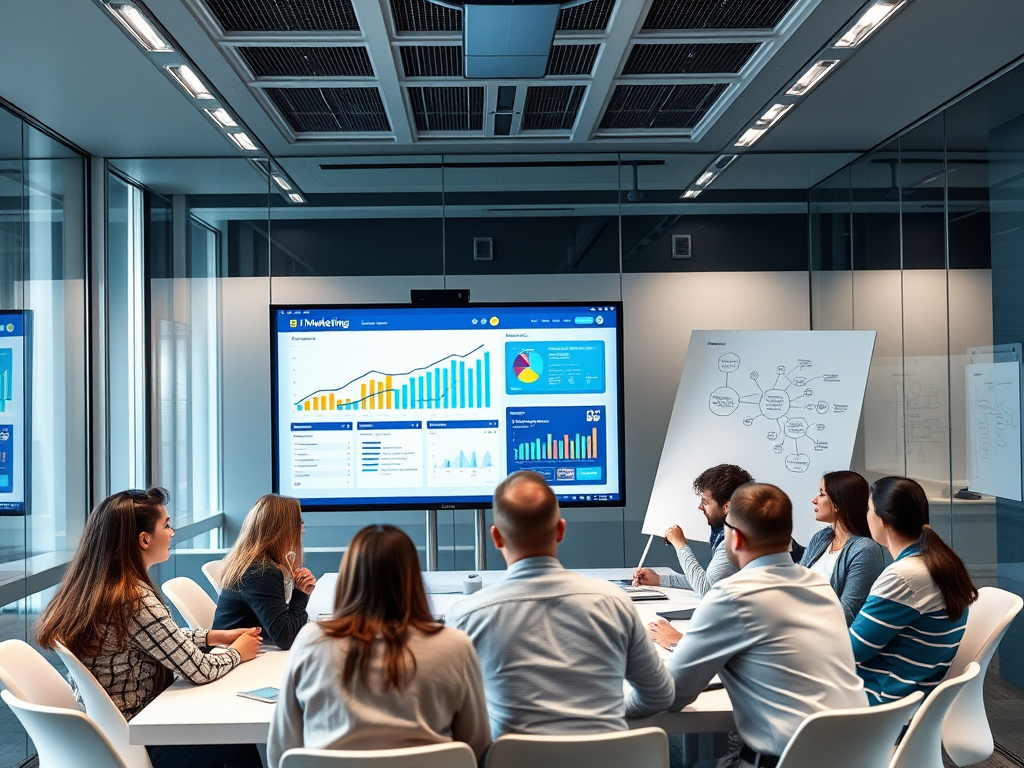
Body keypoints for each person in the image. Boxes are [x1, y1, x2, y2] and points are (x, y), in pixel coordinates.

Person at [634, 483, 866, 768]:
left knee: (671, 749)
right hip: (856, 755)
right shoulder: (819, 586)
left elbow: (669, 694)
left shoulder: (731, 596)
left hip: (782, 761)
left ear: (737, 539)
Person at [36, 488, 262, 768]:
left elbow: (148, 638)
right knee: (237, 739)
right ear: (144, 539)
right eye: (166, 525)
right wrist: (239, 651)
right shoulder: (133, 599)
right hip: (142, 735)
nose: (172, 532)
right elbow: (201, 671)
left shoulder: (97, 589)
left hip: (112, 734)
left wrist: (211, 636)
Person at [448, 471, 674, 738]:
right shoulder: (614, 602)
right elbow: (659, 696)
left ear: (496, 537)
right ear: (561, 530)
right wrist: (606, 714)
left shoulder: (466, 616)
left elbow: (452, 714)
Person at [267, 525, 490, 768]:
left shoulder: (311, 641)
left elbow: (281, 750)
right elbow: (476, 749)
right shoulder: (454, 646)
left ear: (349, 578)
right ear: (413, 578)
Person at [850, 476, 978, 704]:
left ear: (882, 520)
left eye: (868, 509)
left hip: (882, 704)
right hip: (910, 697)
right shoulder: (935, 561)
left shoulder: (904, 576)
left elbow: (851, 652)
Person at [213, 493, 316, 650]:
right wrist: (301, 594)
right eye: (299, 522)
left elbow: (285, 624)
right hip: (233, 656)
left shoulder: (258, 563)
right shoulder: (261, 572)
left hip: (245, 649)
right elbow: (286, 638)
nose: (302, 528)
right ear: (284, 530)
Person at [632, 464, 754, 595]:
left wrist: (680, 545)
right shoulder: (739, 528)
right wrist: (660, 580)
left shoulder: (735, 539)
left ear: (727, 507)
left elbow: (705, 588)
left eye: (705, 502)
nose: (700, 507)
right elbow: (709, 581)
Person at [799, 471, 886, 625]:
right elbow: (796, 584)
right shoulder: (821, 537)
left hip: (828, 637)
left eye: (821, 494)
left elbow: (847, 613)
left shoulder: (865, 550)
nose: (814, 500)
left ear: (838, 503)